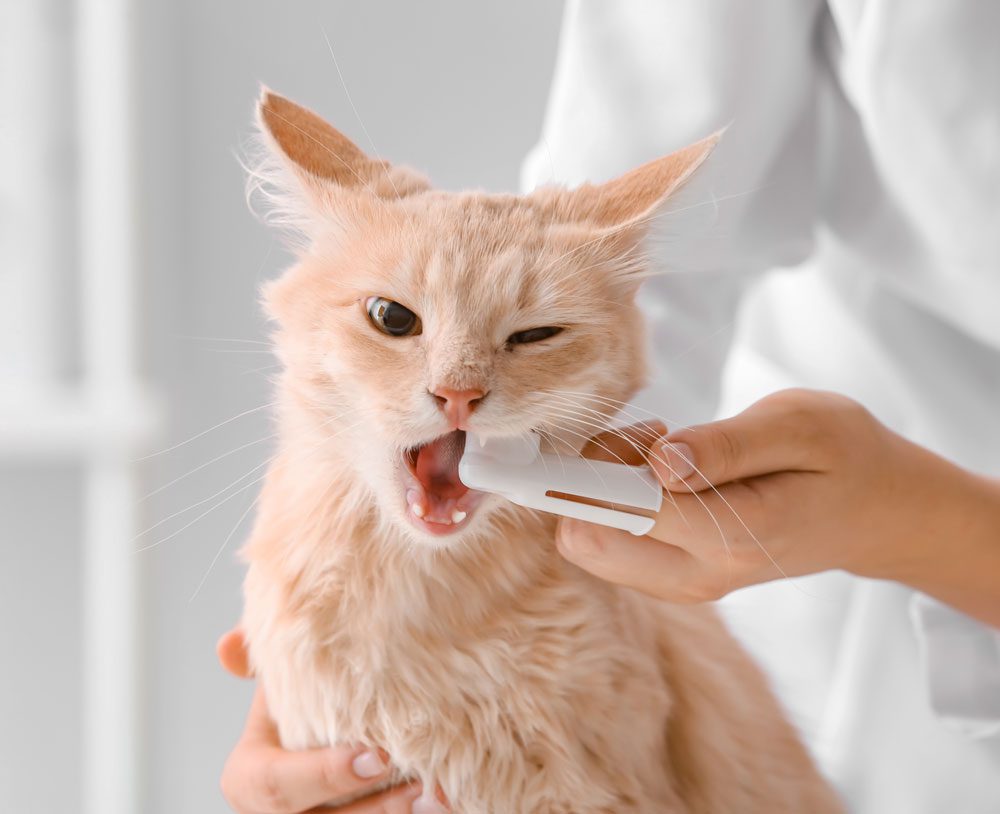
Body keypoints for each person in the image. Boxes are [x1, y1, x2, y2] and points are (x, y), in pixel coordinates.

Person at [220, 1, 1000, 811]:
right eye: (394, 321)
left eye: (530, 335)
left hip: (897, 537)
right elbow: (643, 281)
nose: (458, 386)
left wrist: (909, 519)